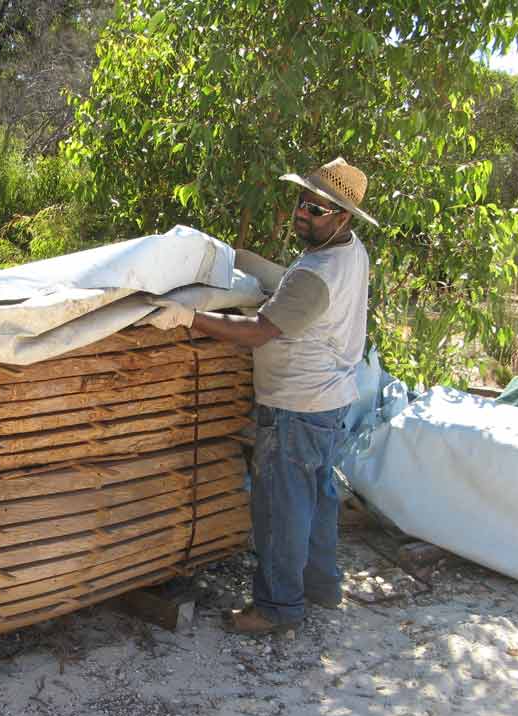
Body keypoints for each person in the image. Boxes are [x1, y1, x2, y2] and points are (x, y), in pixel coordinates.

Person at [148, 157, 377, 634]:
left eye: (316, 209)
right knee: (317, 499)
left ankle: (276, 608)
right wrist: (251, 263)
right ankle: (320, 587)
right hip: (330, 401)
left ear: (342, 218)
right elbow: (299, 292)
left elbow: (257, 333)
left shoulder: (316, 273)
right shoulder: (349, 252)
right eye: (301, 202)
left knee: (280, 509)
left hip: (296, 405)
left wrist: (188, 317)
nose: (302, 213)